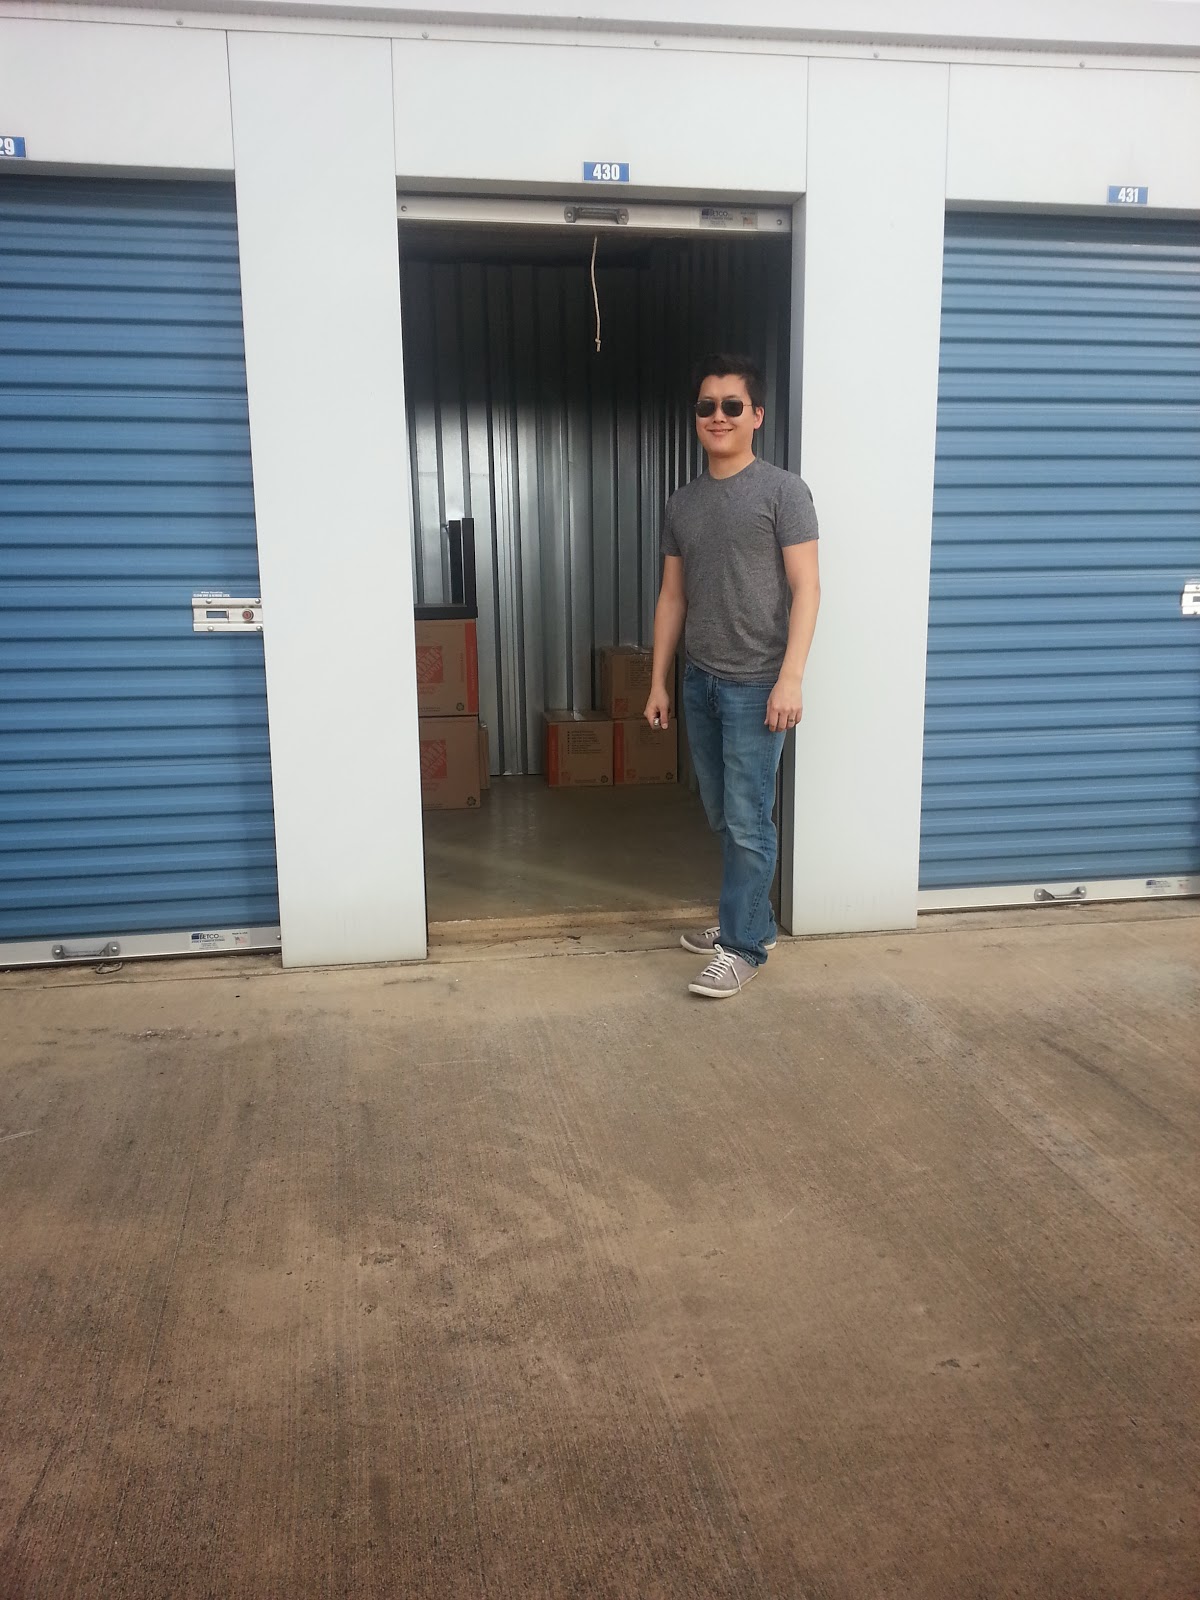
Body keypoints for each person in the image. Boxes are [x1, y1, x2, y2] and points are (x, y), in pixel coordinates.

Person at [644, 354, 820, 999]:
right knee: (724, 814)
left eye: (731, 406)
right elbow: (672, 598)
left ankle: (743, 946)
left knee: (749, 821)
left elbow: (807, 588)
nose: (717, 416)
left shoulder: (783, 492)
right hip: (700, 682)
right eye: (706, 406)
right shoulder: (683, 503)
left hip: (757, 685)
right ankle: (748, 920)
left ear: (756, 416)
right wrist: (660, 681)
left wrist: (790, 678)